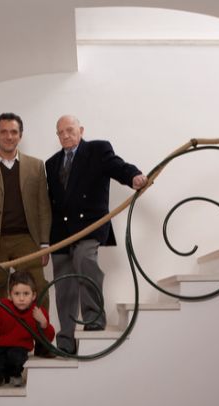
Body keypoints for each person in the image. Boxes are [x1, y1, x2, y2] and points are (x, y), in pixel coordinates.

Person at [45, 115, 148, 355]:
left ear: (80, 130)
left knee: (85, 259)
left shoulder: (98, 149)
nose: (66, 135)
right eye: (60, 132)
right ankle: (66, 339)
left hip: (90, 225)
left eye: (70, 130)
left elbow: (118, 166)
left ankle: (93, 319)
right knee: (63, 284)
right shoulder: (51, 163)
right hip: (60, 232)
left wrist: (134, 176)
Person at [0, 112, 55, 357]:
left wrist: (45, 243)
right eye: (4, 132)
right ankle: (0, 351)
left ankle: (42, 344)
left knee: (39, 287)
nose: (9, 136)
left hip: (28, 239)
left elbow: (43, 208)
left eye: (14, 132)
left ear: (20, 136)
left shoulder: (36, 166)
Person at [0, 270, 55, 387]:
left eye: (26, 294)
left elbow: (48, 338)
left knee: (16, 357)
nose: (21, 298)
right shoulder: (2, 306)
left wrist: (44, 323)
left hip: (19, 347)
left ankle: (14, 373)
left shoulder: (37, 311)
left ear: (33, 295)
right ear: (10, 295)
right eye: (17, 294)